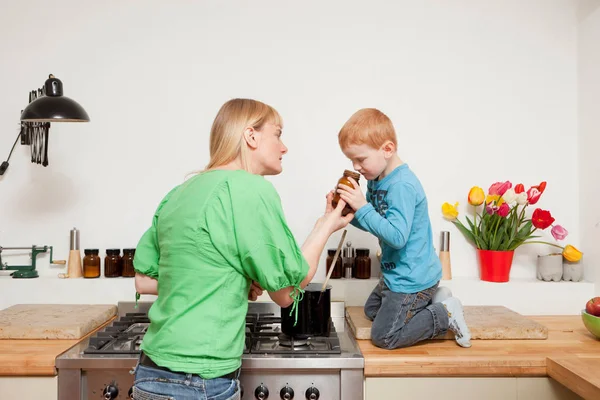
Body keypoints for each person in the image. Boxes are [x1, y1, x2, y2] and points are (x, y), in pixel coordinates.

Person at [132, 98, 353, 400]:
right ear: (251, 136)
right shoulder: (249, 188)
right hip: (201, 383)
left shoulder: (179, 192)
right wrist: (327, 226)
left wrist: (232, 282)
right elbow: (287, 293)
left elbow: (145, 280)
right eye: (277, 134)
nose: (284, 147)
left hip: (149, 372)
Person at [335, 108, 471, 349]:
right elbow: (379, 223)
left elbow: (396, 237)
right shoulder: (377, 181)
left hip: (412, 278)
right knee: (372, 311)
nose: (356, 167)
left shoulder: (401, 186)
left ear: (387, 149)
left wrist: (363, 207)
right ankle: (432, 302)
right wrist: (347, 214)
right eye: (351, 160)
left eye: (361, 159)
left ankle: (444, 313)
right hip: (395, 273)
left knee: (384, 336)